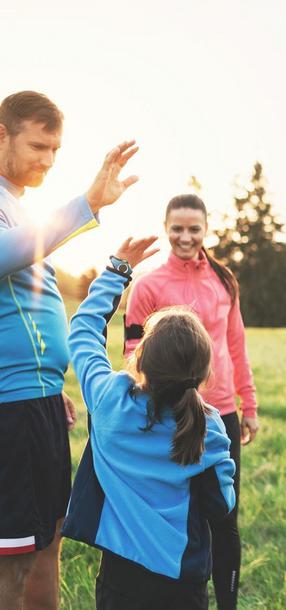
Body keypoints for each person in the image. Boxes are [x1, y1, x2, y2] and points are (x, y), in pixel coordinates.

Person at [0, 90, 139, 609]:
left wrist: (48, 382)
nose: (49, 160)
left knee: (48, 541)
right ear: (2, 136)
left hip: (38, 402)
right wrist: (88, 204)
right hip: (9, 410)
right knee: (12, 560)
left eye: (56, 150)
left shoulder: (18, 205)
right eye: (38, 146)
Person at [61, 236, 237, 610]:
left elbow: (84, 331)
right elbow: (221, 505)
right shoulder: (209, 427)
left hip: (120, 578)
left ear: (139, 357)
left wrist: (118, 270)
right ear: (203, 372)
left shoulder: (109, 399)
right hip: (182, 580)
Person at [123, 194, 258, 610]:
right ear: (166, 229)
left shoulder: (223, 280)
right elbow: (132, 353)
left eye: (194, 229)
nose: (185, 237)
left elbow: (236, 344)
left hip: (221, 415)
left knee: (224, 518)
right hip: (170, 415)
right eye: (177, 229)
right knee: (178, 514)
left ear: (206, 230)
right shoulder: (147, 285)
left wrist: (249, 405)